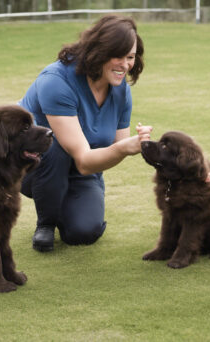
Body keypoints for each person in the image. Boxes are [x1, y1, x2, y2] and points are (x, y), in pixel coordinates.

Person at [19, 15, 152, 252]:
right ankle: (46, 223)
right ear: (99, 51)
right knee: (54, 146)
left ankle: (60, 202)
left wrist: (128, 146)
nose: (125, 65)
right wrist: (123, 149)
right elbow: (84, 159)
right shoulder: (56, 81)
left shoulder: (120, 89)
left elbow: (113, 147)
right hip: (29, 163)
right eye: (118, 56)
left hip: (82, 167)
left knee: (84, 231)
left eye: (130, 57)